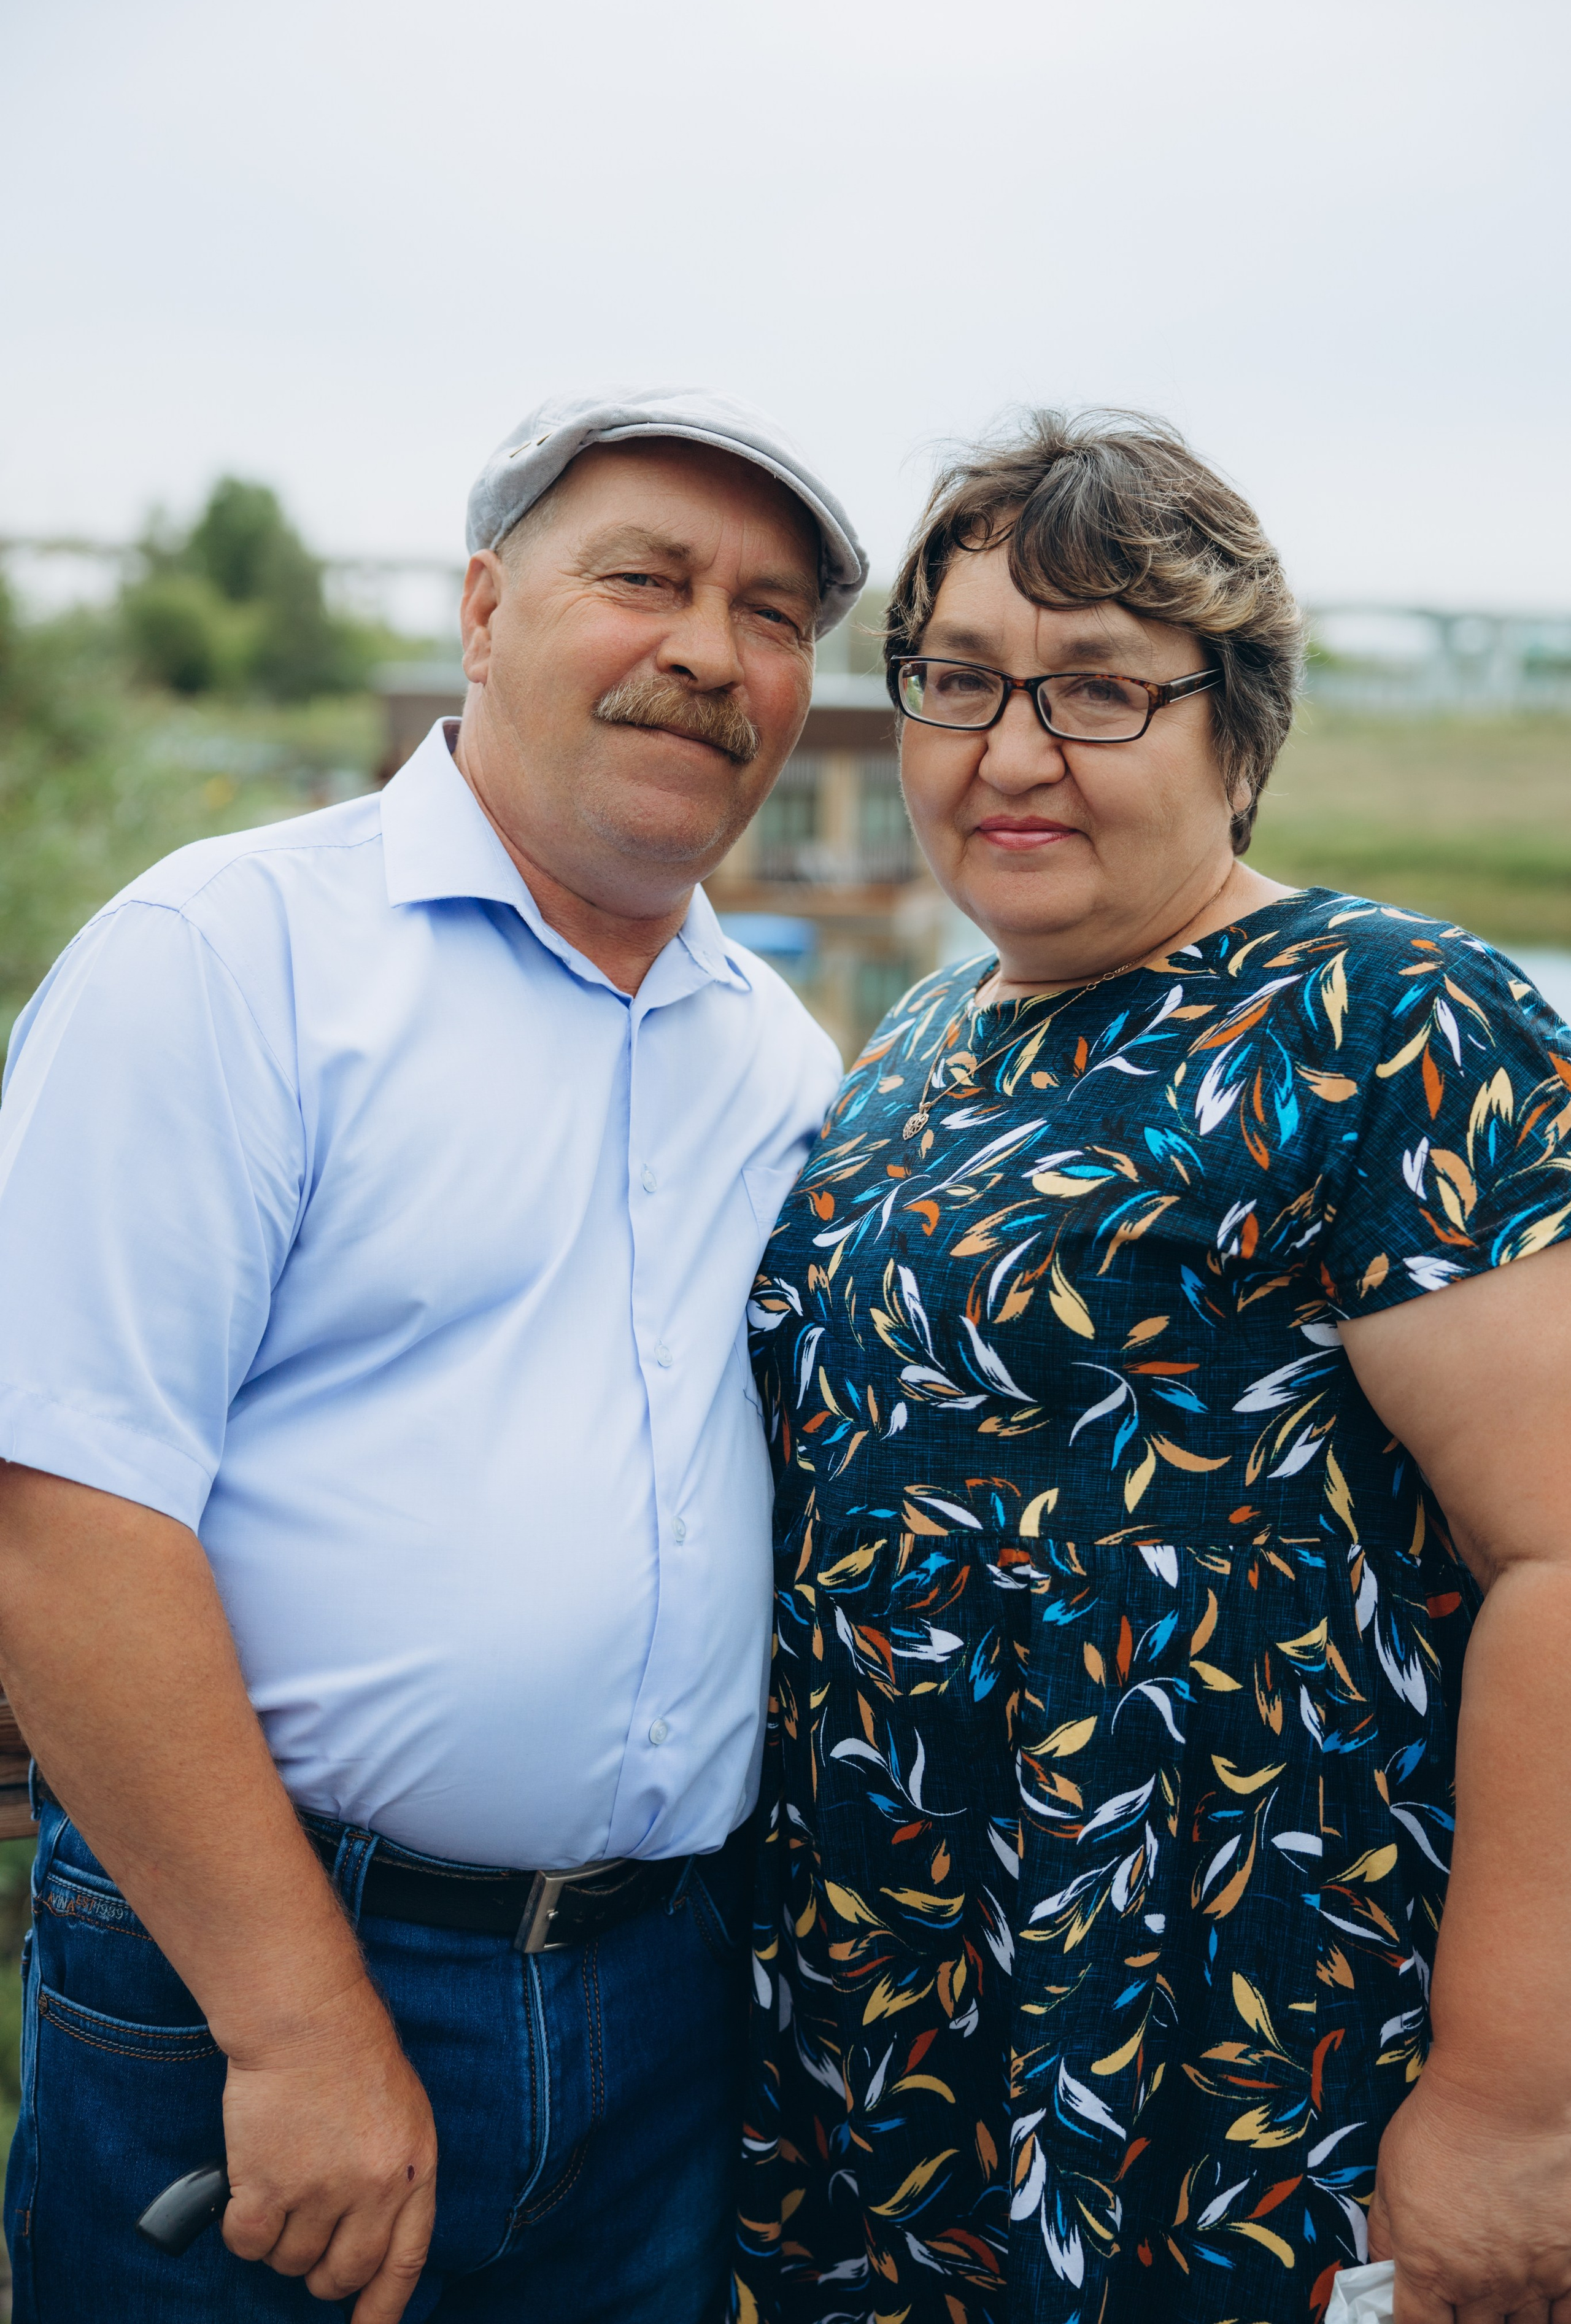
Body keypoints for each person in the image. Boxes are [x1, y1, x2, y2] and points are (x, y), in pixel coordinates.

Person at [0, 388, 864, 2323]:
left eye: (775, 614)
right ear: (484, 611)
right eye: (641, 579)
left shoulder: (780, 1062)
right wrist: (298, 2023)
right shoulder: (232, 956)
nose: (709, 652)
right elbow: (61, 1516)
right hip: (265, 1979)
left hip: (665, 1999)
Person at [731, 411, 1571, 2324]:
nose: (1013, 752)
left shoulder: (1384, 1020)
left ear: (1237, 729)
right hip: (894, 2021)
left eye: (1100, 689)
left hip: (1224, 2041)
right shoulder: (932, 1034)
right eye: (960, 683)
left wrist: (1515, 2108)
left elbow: (1562, 1562)